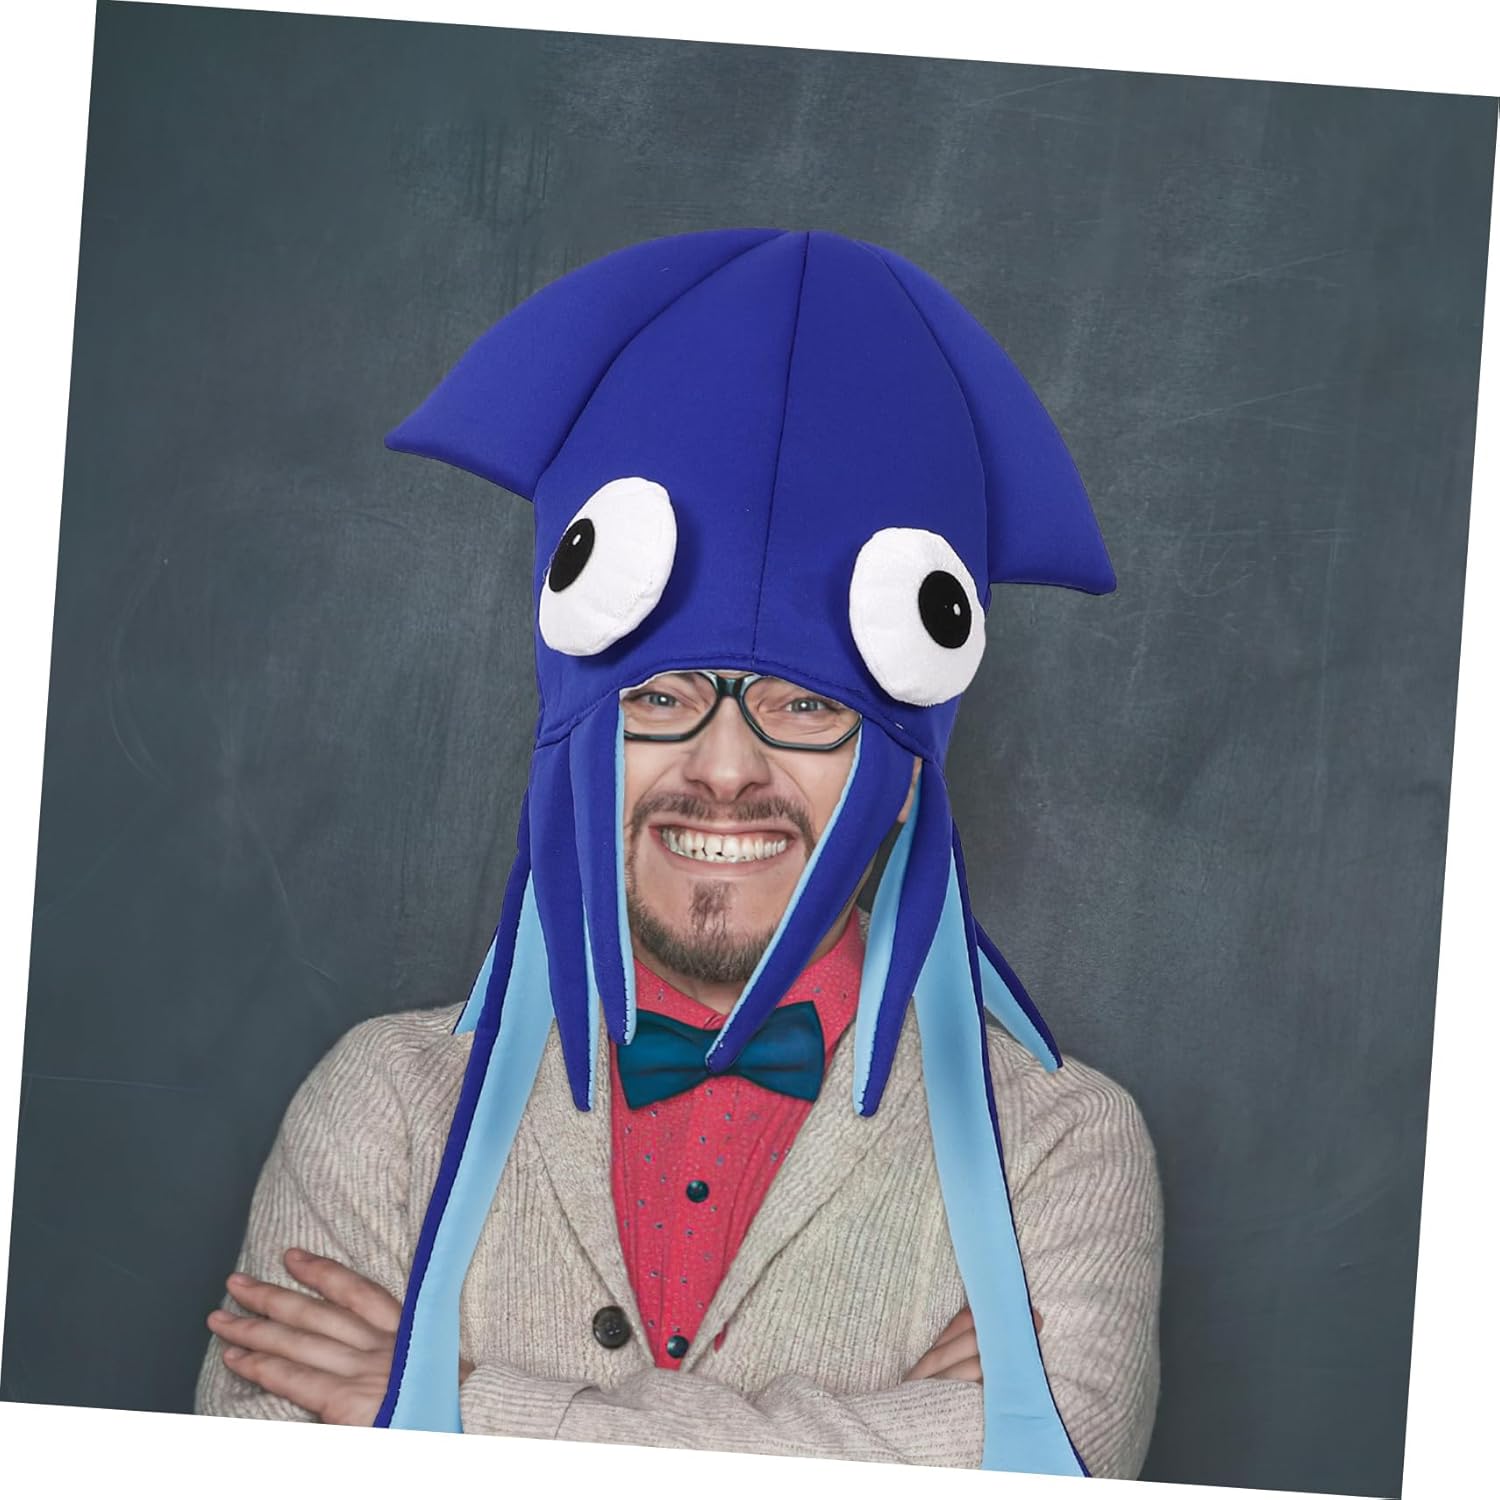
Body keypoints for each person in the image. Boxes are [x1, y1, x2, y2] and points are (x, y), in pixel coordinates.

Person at [195, 229, 1163, 1477]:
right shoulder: (383, 1106)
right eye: (662, 697)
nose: (726, 767)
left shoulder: (1060, 1150)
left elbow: (1058, 1461)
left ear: (904, 769)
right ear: (577, 735)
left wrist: (454, 1403)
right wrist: (902, 1445)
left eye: (807, 706)